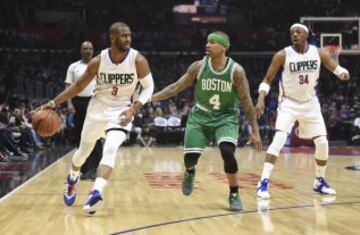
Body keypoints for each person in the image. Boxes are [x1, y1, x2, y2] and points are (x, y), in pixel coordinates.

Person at [40, 22, 154, 214]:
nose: (128, 39)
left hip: (122, 110)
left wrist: (133, 110)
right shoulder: (98, 61)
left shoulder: (138, 60)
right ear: (112, 38)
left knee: (110, 148)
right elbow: (76, 87)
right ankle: (72, 178)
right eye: (124, 35)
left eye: (129, 36)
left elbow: (149, 87)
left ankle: (96, 192)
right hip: (97, 110)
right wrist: (53, 103)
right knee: (82, 152)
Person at [152, 31, 262, 211]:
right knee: (190, 159)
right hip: (200, 117)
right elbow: (176, 87)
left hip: (225, 117)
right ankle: (189, 171)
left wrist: (255, 131)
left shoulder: (237, 71)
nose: (207, 45)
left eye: (212, 42)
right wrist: (150, 98)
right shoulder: (198, 66)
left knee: (227, 152)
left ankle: (234, 193)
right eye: (207, 42)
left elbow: (247, 102)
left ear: (223, 48)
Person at [255, 23, 350, 199]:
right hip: (288, 103)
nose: (294, 35)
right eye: (292, 32)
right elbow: (267, 80)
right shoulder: (282, 55)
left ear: (306, 35)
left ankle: (319, 181)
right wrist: (261, 98)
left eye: (298, 32)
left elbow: (336, 69)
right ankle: (263, 182)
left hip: (310, 103)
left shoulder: (318, 52)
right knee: (280, 137)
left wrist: (343, 72)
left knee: (322, 142)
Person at [65, 41, 102, 181]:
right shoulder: (73, 67)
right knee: (81, 137)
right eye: (85, 49)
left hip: (94, 102)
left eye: (90, 49)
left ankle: (97, 169)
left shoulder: (99, 66)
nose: (87, 51)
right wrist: (69, 103)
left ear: (93, 51)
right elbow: (68, 86)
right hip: (78, 103)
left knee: (96, 136)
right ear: (81, 51)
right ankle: (86, 169)